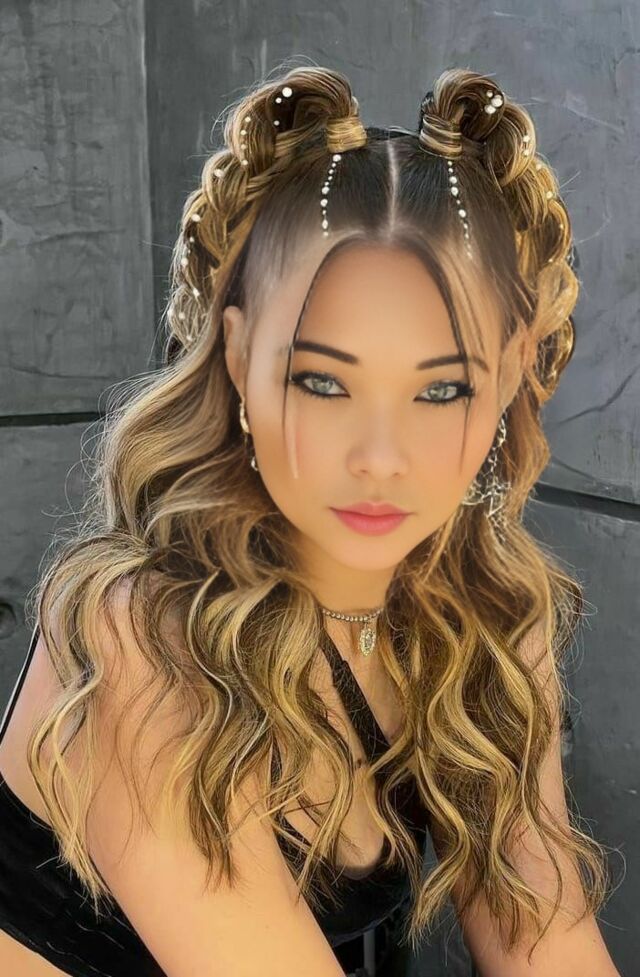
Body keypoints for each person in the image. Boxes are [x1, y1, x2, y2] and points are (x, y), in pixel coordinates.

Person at [0, 63, 621, 977]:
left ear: (510, 374)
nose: (380, 456)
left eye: (440, 389)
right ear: (240, 356)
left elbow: (550, 943)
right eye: (324, 382)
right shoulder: (143, 638)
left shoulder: (483, 620)